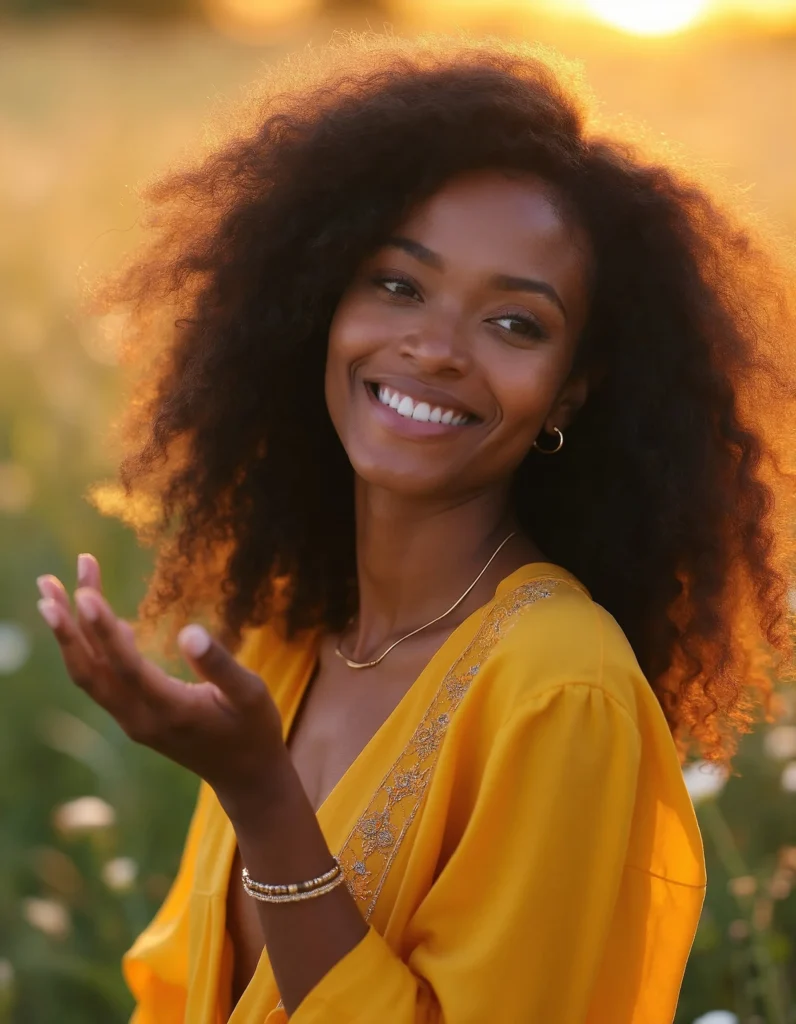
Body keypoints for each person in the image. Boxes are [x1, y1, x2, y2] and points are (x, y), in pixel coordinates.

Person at [35, 34, 796, 1024]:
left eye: (514, 323)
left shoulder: (561, 688)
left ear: (571, 390)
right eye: (397, 283)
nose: (431, 347)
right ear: (319, 302)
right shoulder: (289, 638)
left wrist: (261, 793)